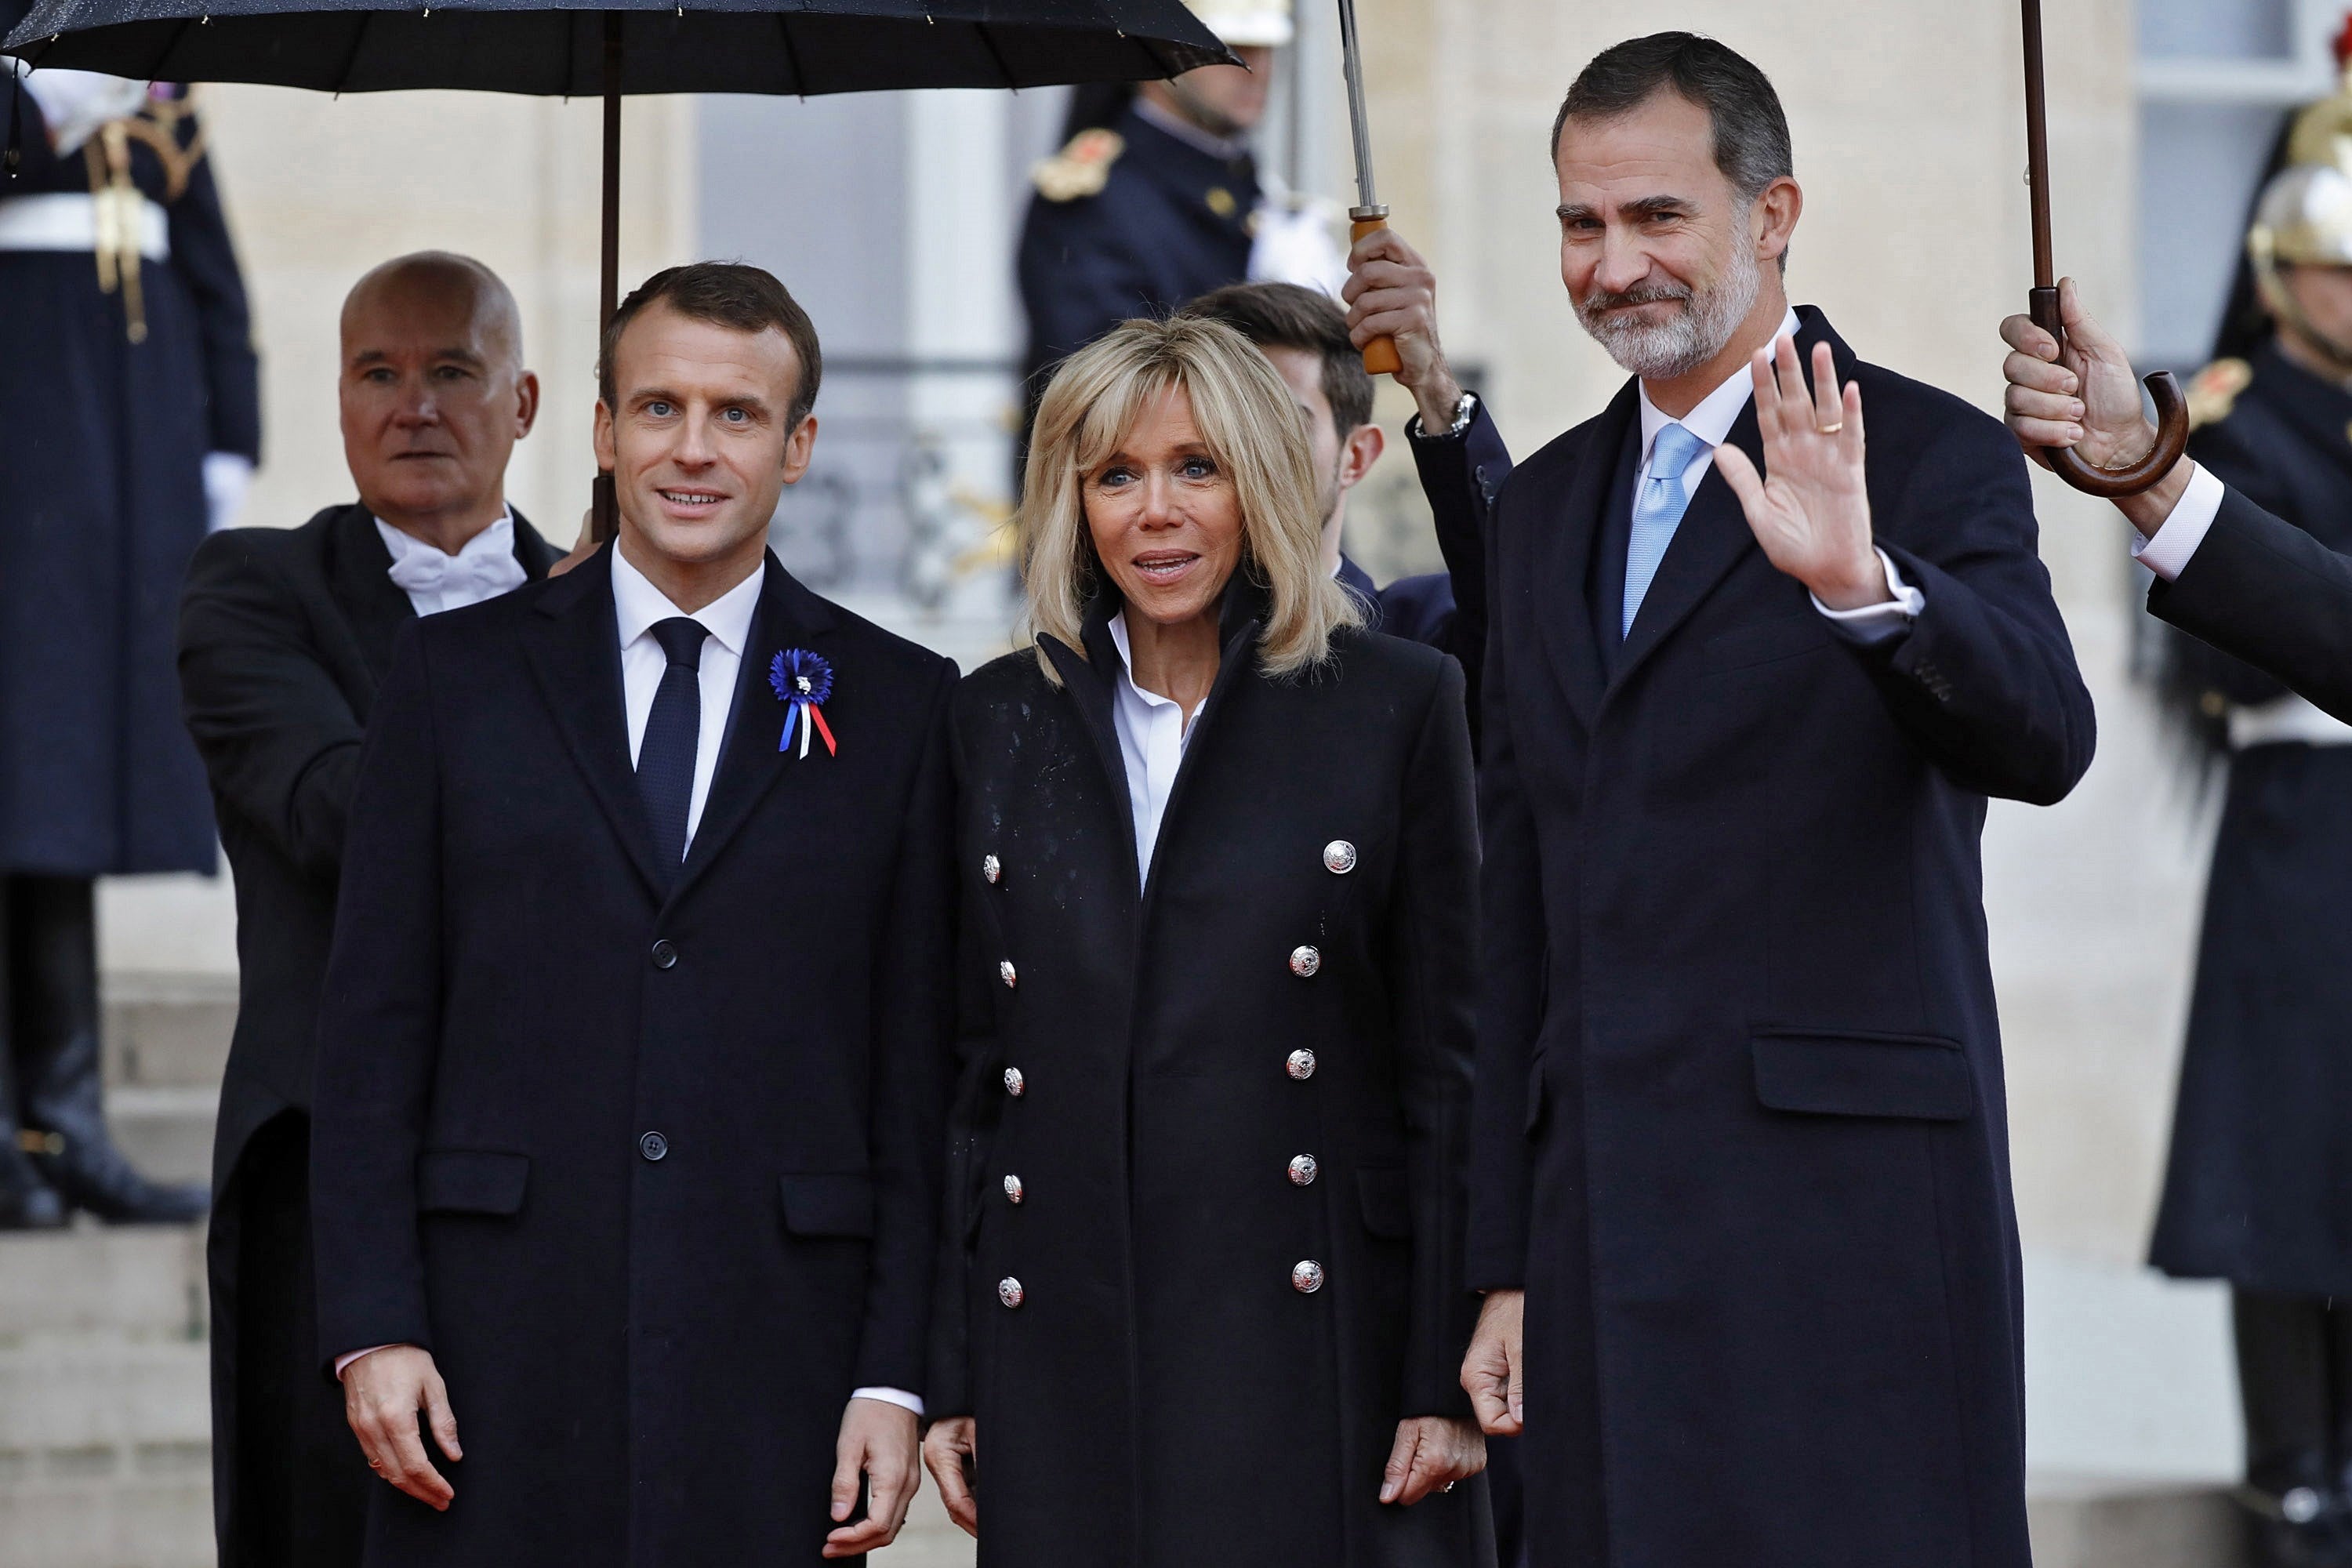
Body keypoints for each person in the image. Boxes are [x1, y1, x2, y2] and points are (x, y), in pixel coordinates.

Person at [1461, 34, 2093, 1567]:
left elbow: (2047, 735)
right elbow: (1518, 912)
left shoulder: (1927, 453)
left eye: (1658, 217)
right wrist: (1500, 1264)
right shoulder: (1539, 510)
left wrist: (1869, 591)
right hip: (1601, 1240)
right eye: (1580, 224)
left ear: (1773, 212)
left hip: (1846, 1236)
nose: (1614, 264)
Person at [307, 262, 956, 1566]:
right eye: (658, 409)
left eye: (738, 414)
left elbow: (920, 1072)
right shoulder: (453, 680)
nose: (694, 450)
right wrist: (376, 1323)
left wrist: (896, 1374)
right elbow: (374, 1028)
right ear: (602, 433)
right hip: (489, 1349)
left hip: (778, 1356)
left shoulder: (903, 704)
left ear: (800, 445)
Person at [920, 314, 1490, 1566]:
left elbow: (1450, 1066)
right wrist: (951, 1365)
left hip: (1320, 1347)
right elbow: (969, 1070)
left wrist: (1443, 1371)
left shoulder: (1395, 703)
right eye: (1116, 475)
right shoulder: (992, 721)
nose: (1155, 513)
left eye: (1199, 468)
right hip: (1062, 1352)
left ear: (1262, 483)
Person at [177, 252, 560, 1568]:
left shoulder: (617, 609)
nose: (415, 406)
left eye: (453, 370)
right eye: (378, 375)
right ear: (337, 404)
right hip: (330, 1185)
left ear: (525, 403)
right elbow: (341, 816)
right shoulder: (248, 593)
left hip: (564, 1177)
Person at [0, 59, 258, 1229]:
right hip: (24, 408)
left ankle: (64, 1124)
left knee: (68, 783)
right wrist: (31, 108)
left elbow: (201, 245)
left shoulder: (137, 43)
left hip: (130, 426)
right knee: (26, 769)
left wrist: (226, 434)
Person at [1188, 244, 1512, 714]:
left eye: (1280, 422)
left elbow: (1519, 611)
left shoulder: (1421, 642)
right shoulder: (1118, 653)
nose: (1247, 453)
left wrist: (1434, 387)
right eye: (1218, 426)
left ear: (1356, 456)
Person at [1018, 0, 1333, 423]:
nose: (1254, 69)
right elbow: (1104, 388)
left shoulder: (1243, 182)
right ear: (1161, 49)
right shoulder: (1092, 198)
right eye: (1229, 48)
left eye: (1267, 48)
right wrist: (1266, 315)